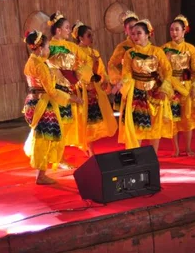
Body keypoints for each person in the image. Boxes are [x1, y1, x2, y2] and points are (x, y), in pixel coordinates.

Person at [22, 30, 82, 185]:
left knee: (43, 137)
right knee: (45, 139)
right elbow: (52, 91)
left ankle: (41, 173)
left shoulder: (30, 62)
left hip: (34, 101)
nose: (48, 51)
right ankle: (40, 175)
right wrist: (71, 98)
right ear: (40, 48)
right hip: (44, 104)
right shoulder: (40, 66)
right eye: (48, 47)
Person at [118, 19, 173, 153]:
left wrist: (164, 88)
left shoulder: (157, 51)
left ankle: (152, 157)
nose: (135, 36)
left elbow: (167, 71)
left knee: (155, 126)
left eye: (139, 33)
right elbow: (126, 74)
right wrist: (126, 89)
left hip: (154, 92)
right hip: (137, 94)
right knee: (137, 128)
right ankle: (137, 157)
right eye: (133, 34)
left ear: (148, 34)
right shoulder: (129, 53)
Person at [46, 11, 93, 163]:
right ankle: (56, 156)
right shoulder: (50, 47)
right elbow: (43, 65)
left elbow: (87, 60)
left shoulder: (71, 46)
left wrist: (79, 73)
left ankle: (58, 154)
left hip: (70, 86)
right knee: (57, 123)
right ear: (58, 30)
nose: (69, 30)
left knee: (66, 122)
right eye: (66, 27)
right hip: (56, 87)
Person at [162, 15, 195, 157]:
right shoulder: (165, 49)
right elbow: (160, 69)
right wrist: (166, 60)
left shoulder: (190, 49)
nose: (174, 33)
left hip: (186, 85)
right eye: (171, 30)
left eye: (177, 30)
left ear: (184, 31)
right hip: (171, 86)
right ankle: (176, 148)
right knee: (174, 119)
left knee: (187, 118)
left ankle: (188, 147)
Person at [72, 21, 118, 156]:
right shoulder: (76, 53)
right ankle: (89, 148)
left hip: (94, 90)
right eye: (88, 36)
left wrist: (104, 80)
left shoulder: (94, 52)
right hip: (83, 90)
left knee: (93, 120)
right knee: (85, 119)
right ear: (80, 38)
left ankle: (89, 147)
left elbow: (101, 70)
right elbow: (76, 71)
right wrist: (88, 77)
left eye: (92, 35)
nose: (92, 38)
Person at [108, 10, 139, 111]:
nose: (133, 30)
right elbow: (111, 65)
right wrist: (119, 81)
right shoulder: (122, 47)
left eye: (136, 27)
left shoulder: (146, 46)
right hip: (127, 86)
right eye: (130, 28)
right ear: (125, 30)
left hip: (143, 85)